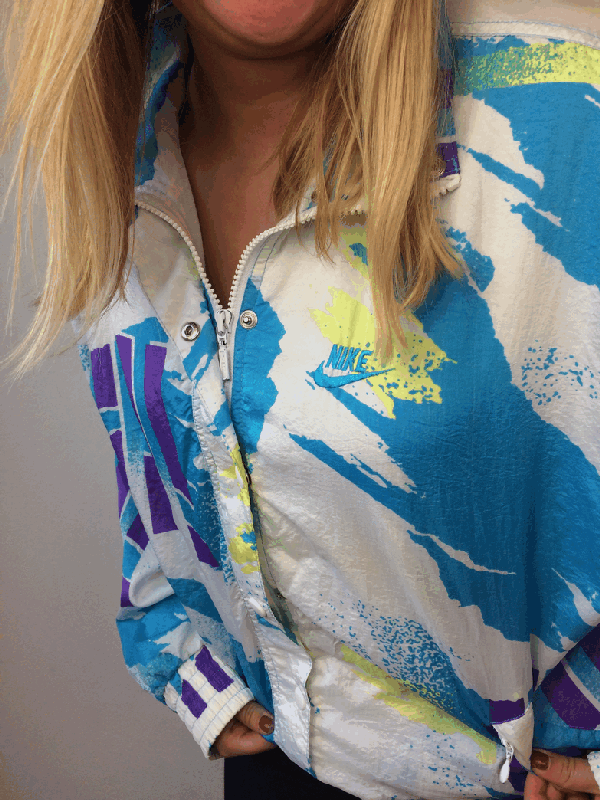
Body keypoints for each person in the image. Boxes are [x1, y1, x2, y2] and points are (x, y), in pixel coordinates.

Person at [1, 0, 600, 798]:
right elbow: (153, 440)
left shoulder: (570, 118)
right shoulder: (120, 126)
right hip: (280, 764)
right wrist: (182, 653)